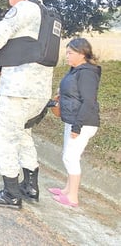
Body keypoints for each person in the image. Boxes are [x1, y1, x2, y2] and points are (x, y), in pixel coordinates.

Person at [0, 0, 54, 209]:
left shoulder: (23, 9)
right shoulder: (50, 14)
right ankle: (30, 186)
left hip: (19, 90)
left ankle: (10, 194)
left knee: (2, 139)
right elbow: (26, 50)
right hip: (40, 92)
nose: (9, 0)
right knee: (23, 135)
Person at [49, 38, 101, 207]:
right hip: (72, 118)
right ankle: (66, 189)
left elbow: (89, 101)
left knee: (71, 157)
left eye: (70, 53)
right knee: (68, 155)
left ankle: (72, 197)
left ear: (82, 53)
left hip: (83, 122)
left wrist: (77, 126)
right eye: (67, 53)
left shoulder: (87, 73)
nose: (67, 56)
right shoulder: (75, 70)